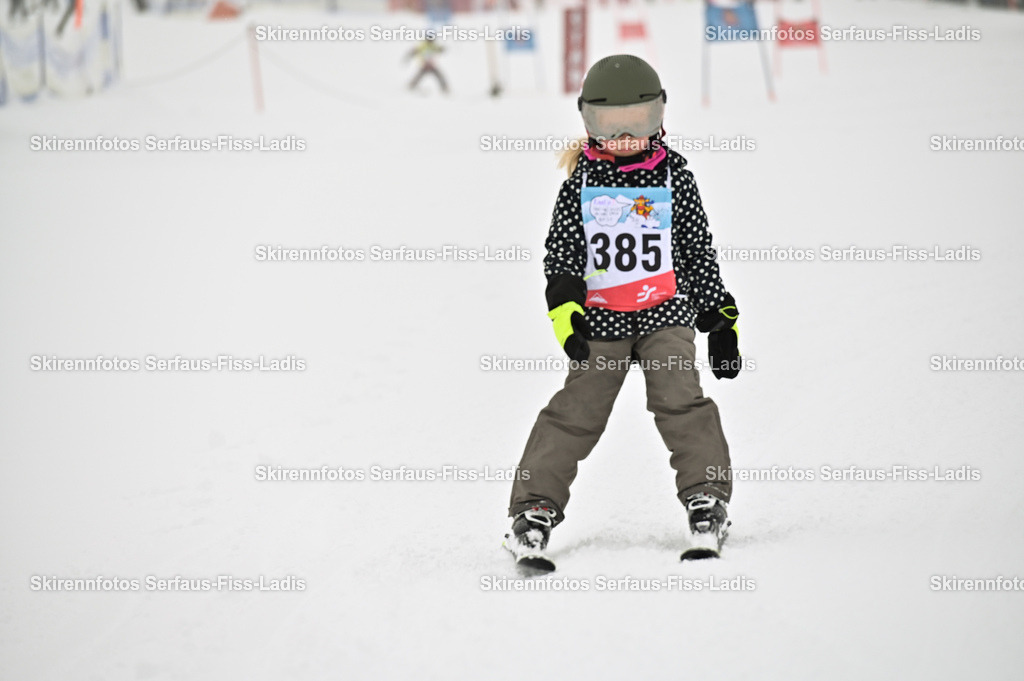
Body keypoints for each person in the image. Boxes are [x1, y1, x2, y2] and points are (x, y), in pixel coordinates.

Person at [504, 55, 743, 568]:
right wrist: (565, 308)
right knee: (576, 412)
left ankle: (707, 498)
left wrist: (720, 315)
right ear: (588, 121)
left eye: (640, 123)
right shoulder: (581, 182)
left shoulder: (675, 175)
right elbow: (562, 251)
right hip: (603, 317)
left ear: (660, 116)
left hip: (665, 311)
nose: (626, 137)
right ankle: (534, 509)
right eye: (610, 127)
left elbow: (695, 249)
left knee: (680, 398)